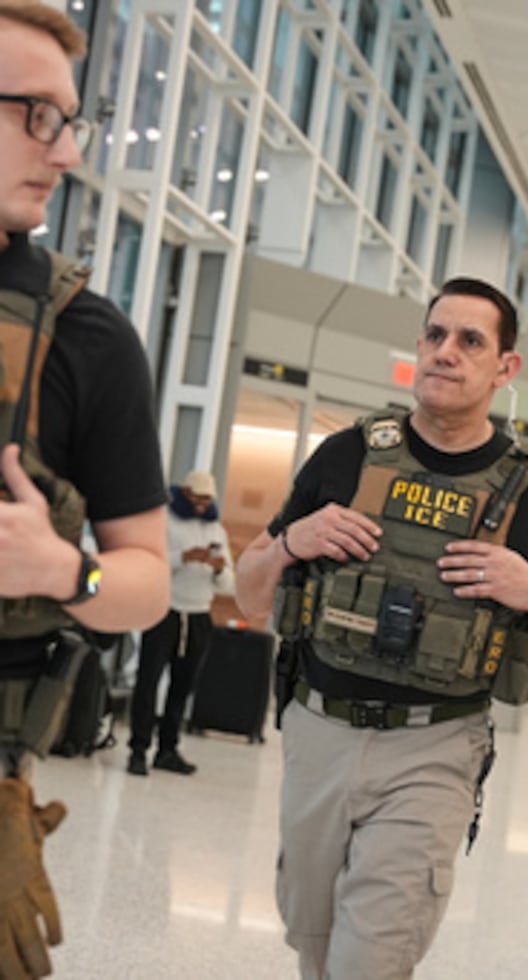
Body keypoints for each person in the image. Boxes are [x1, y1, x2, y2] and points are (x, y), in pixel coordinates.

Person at [236, 276, 528, 979]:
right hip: (318, 733)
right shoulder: (347, 456)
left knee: (369, 961)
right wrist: (292, 543)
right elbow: (250, 593)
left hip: (434, 748)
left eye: (471, 340)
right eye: (435, 335)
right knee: (311, 944)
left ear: (506, 369)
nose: (447, 352)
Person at [0, 3, 169, 977]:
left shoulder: (89, 337)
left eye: (71, 122)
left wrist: (70, 570)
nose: (65, 154)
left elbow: (139, 585)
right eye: (38, 115)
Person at [127, 471, 234, 777]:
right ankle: (138, 749)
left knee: (182, 686)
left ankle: (168, 749)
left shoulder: (217, 530)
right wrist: (184, 557)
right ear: (185, 493)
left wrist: (218, 569)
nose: (201, 504)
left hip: (199, 614)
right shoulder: (165, 522)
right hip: (165, 611)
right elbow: (153, 564)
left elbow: (228, 585)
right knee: (148, 682)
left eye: (206, 499)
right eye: (196, 498)